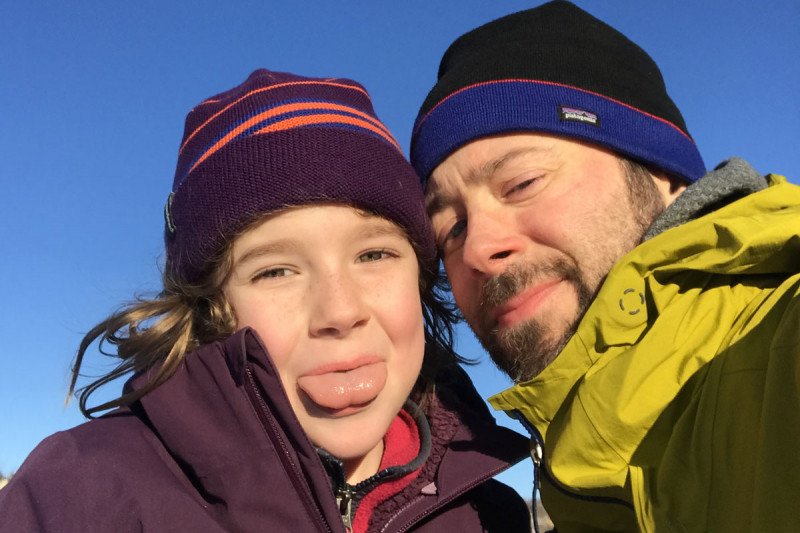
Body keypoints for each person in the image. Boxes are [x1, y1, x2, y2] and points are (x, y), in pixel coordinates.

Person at [0, 69, 532, 532]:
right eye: (276, 270)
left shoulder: (490, 512)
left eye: (373, 255)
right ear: (212, 306)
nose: (340, 312)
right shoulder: (78, 493)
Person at [410, 1, 800, 531]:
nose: (477, 249)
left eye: (522, 183)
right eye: (450, 229)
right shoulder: (565, 479)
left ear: (662, 173)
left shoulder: (774, 339)